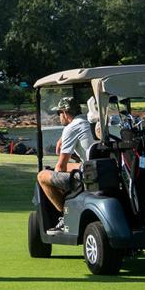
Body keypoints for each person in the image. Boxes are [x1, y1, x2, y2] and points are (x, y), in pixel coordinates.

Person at [37, 96, 95, 233]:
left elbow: (61, 167)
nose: (58, 117)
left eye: (59, 113)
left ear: (64, 112)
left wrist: (57, 177)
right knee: (68, 168)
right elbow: (59, 148)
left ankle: (65, 215)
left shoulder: (72, 127)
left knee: (43, 176)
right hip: (96, 167)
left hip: (89, 173)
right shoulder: (89, 122)